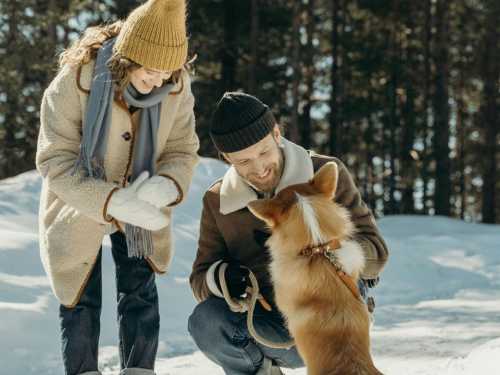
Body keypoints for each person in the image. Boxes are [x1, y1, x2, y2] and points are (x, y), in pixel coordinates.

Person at [36, 1, 199, 374]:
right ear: (131, 56)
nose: (158, 80)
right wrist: (111, 201)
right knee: (80, 296)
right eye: (151, 70)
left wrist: (165, 186)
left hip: (142, 203)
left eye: (167, 72)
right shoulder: (76, 79)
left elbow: (182, 149)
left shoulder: (176, 87)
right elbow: (54, 161)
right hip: (81, 200)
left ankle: (140, 370)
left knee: (139, 290)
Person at [188, 92, 388, 375]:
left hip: (331, 317)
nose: (258, 168)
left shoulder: (323, 173)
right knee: (206, 321)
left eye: (263, 152)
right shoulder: (218, 200)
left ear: (277, 134)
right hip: (269, 325)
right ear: (226, 158)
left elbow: (377, 251)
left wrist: (333, 251)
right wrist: (223, 279)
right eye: (243, 162)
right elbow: (200, 276)